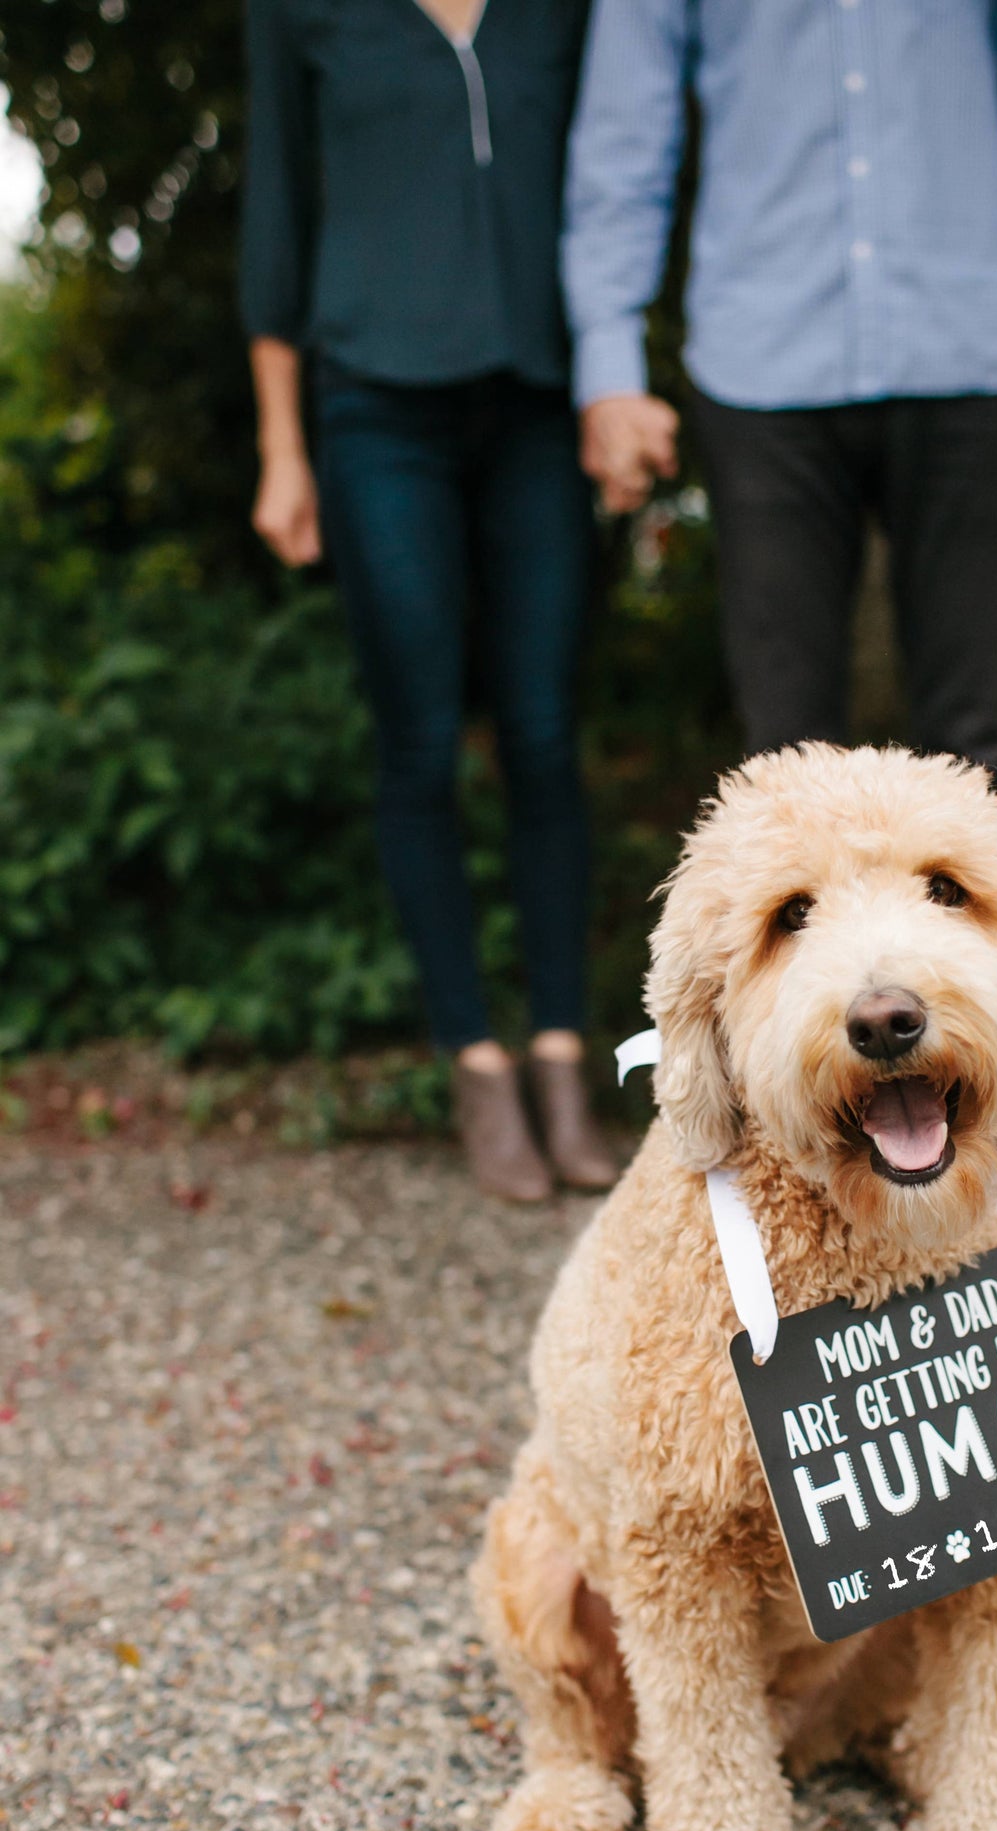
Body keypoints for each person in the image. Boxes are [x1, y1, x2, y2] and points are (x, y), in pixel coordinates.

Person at [563, 0, 997, 792]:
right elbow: (623, 136)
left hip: (968, 344)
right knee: (783, 766)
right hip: (760, 360)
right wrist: (609, 362)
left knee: (977, 762)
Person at [240, 0, 616, 1203]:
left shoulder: (561, 13)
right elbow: (275, 212)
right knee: (417, 741)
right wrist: (281, 447)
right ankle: (474, 1058)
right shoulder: (308, 14)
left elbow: (613, 181)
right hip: (372, 406)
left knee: (544, 733)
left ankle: (562, 1059)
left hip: (538, 404)